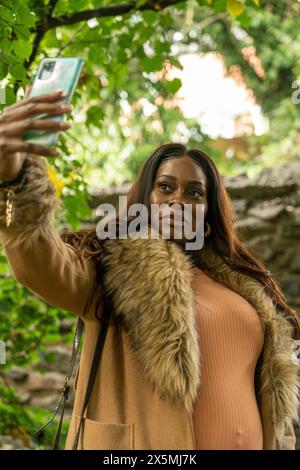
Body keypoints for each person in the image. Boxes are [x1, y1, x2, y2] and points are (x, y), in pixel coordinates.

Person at [0, 89, 299, 450]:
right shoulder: (110, 270)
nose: (177, 200)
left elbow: (268, 395)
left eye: (193, 193)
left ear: (208, 212)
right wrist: (13, 179)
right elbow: (41, 263)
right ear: (145, 200)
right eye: (165, 187)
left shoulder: (241, 285)